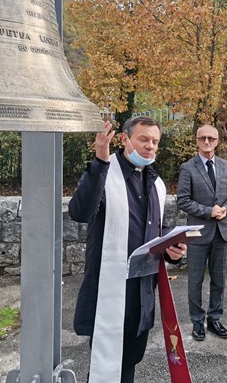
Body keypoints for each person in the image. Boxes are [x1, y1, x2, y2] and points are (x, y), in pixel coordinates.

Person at [69, 117, 186, 383]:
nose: (150, 147)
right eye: (143, 139)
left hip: (142, 292)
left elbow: (159, 230)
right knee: (106, 364)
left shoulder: (155, 182)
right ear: (125, 139)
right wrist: (99, 162)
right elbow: (80, 212)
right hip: (110, 289)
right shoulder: (105, 173)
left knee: (129, 362)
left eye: (155, 142)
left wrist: (172, 250)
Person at [177, 124, 227, 341]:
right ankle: (197, 321)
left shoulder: (226, 166)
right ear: (196, 140)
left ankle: (214, 318)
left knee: (219, 280)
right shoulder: (188, 168)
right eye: (203, 138)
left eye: (211, 139)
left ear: (217, 141)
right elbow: (183, 200)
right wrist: (208, 211)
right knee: (195, 281)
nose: (207, 142)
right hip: (197, 233)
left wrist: (226, 209)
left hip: (221, 233)